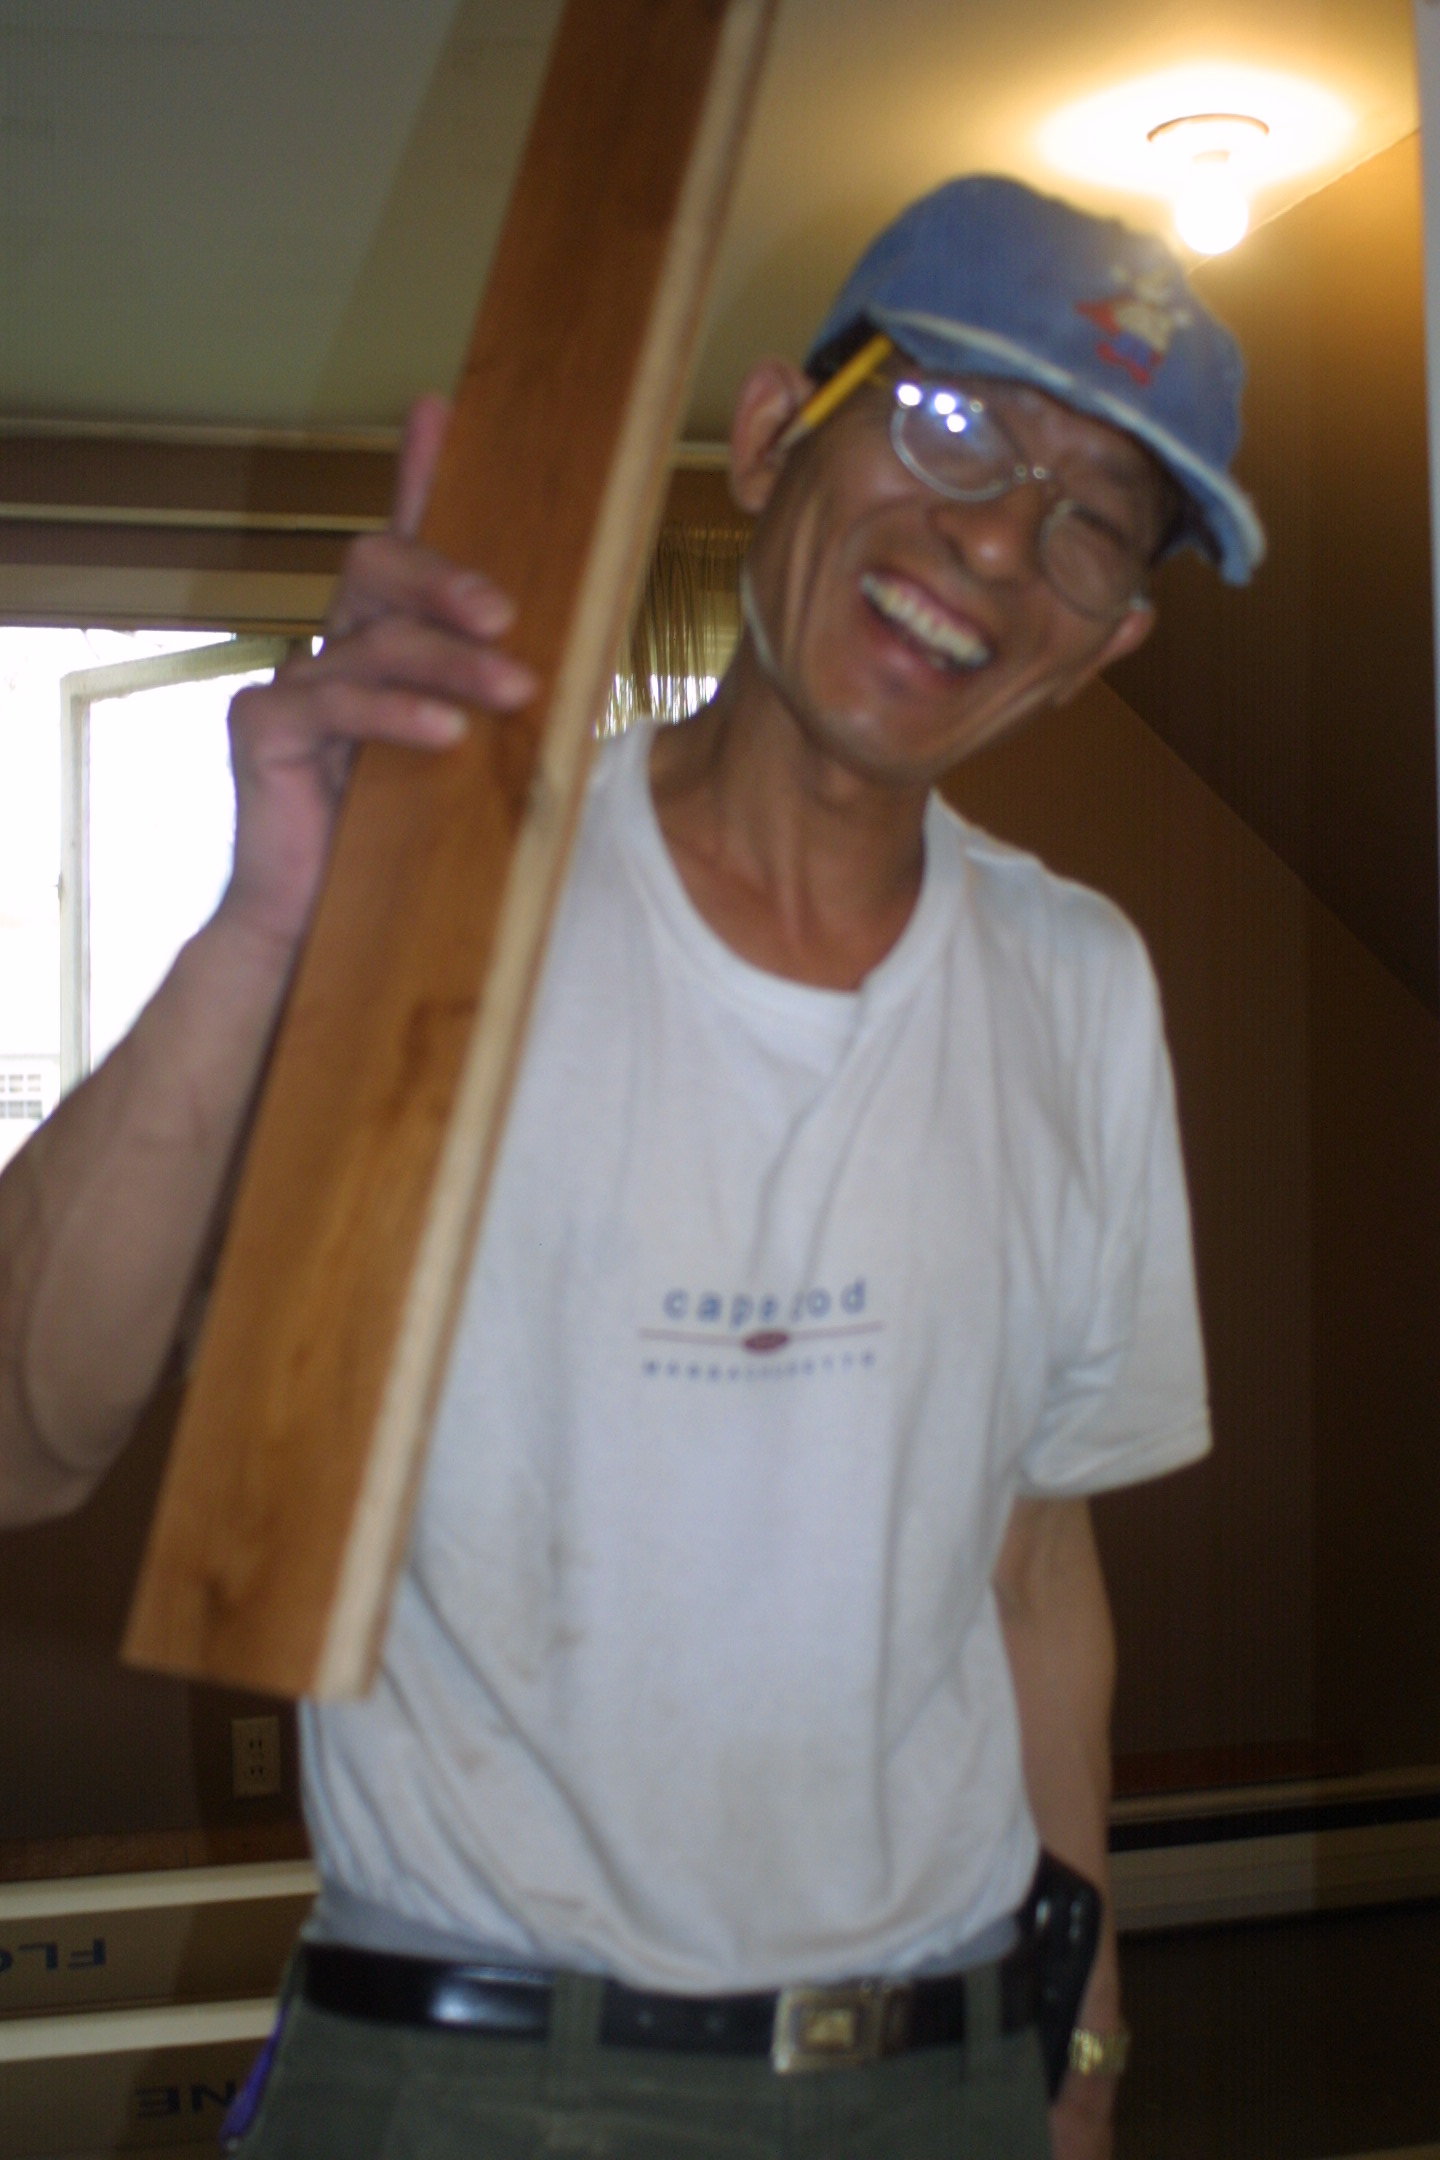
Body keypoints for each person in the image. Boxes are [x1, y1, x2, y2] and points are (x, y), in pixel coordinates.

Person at [0, 176, 1262, 2158]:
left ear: (1105, 642)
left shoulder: (1079, 985)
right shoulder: (433, 905)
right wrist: (268, 924)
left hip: (942, 2072)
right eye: (951, 425)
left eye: (1091, 520)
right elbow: (24, 1441)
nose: (998, 540)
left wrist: (1081, 2050)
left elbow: (1036, 1578)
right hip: (469, 2081)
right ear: (769, 436)